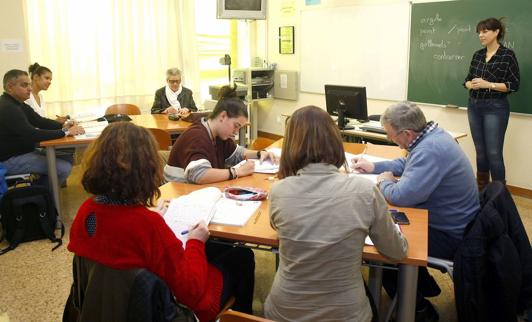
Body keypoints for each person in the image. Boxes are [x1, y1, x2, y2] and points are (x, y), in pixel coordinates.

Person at [68, 122, 255, 322]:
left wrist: (151, 216)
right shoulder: (148, 224)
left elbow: (117, 241)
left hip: (107, 307)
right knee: (241, 255)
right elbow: (191, 290)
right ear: (146, 169)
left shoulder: (86, 212)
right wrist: (195, 241)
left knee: (217, 250)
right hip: (173, 310)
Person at [264, 106, 408, 322]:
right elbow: (396, 251)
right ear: (334, 139)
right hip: (346, 313)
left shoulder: (278, 191)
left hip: (285, 311)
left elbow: (279, 228)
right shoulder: (365, 191)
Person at [352, 102, 480, 321]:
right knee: (391, 230)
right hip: (455, 222)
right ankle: (421, 286)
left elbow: (401, 196)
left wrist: (383, 182)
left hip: (450, 235)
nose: (392, 140)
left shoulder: (430, 150)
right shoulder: (432, 136)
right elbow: (407, 163)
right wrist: (375, 167)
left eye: (392, 136)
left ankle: (418, 308)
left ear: (407, 133)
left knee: (385, 248)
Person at [164, 85, 277, 184]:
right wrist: (237, 172)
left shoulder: (218, 135)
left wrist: (259, 154)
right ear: (223, 116)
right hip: (177, 192)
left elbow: (236, 154)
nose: (236, 132)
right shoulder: (197, 135)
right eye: (236, 125)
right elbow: (198, 175)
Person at [0, 69, 84, 186]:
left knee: (67, 158)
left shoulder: (17, 103)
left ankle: (40, 192)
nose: (29, 88)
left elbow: (40, 121)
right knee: (63, 168)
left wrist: (63, 125)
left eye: (29, 85)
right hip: (10, 160)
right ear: (9, 87)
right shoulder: (7, 107)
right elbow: (32, 134)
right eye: (24, 85)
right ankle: (38, 198)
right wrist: (65, 131)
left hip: (23, 152)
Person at [464, 17, 520, 190]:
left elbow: (514, 85)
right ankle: (482, 194)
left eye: (485, 31)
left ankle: (498, 198)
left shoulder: (507, 55)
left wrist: (489, 85)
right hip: (474, 105)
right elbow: (466, 80)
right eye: (479, 32)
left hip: (495, 107)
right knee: (481, 153)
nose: (481, 35)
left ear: (497, 32)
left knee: (494, 153)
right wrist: (470, 84)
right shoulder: (478, 55)